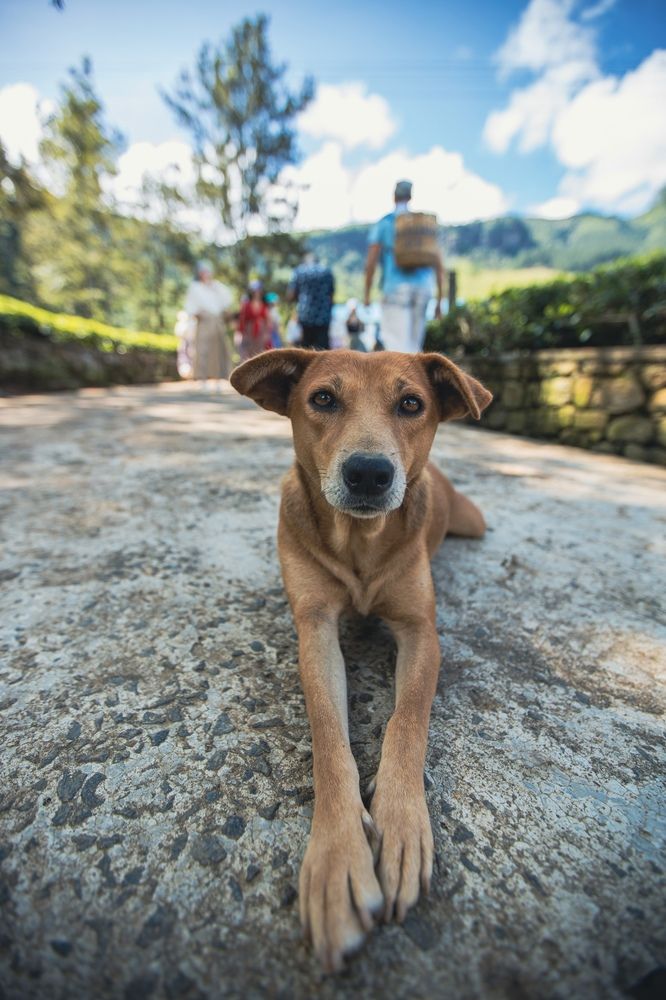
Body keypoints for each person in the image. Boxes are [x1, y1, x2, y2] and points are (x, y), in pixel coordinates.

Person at [364, 180, 444, 353]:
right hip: (423, 288)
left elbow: (371, 262)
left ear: (394, 197)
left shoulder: (386, 223)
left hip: (395, 289)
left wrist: (367, 294)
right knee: (414, 347)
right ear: (410, 196)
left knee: (397, 348)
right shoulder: (422, 225)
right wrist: (440, 300)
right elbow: (439, 265)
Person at [184, 260, 233, 389]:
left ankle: (218, 379)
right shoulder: (195, 287)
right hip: (204, 322)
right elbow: (191, 307)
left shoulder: (217, 286)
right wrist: (199, 315)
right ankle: (202, 379)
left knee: (218, 351)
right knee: (202, 350)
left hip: (217, 321)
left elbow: (226, 302)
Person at [286, 251, 335, 350]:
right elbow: (331, 295)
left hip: (305, 317)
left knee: (306, 351)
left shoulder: (299, 271)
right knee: (322, 352)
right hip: (323, 318)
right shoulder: (327, 271)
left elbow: (291, 294)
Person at [238, 280, 271, 359]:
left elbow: (268, 320)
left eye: (259, 290)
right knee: (247, 353)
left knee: (259, 353)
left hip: (261, 331)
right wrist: (241, 333)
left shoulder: (264, 305)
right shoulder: (246, 304)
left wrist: (267, 333)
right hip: (249, 332)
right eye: (255, 290)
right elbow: (242, 319)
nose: (257, 292)